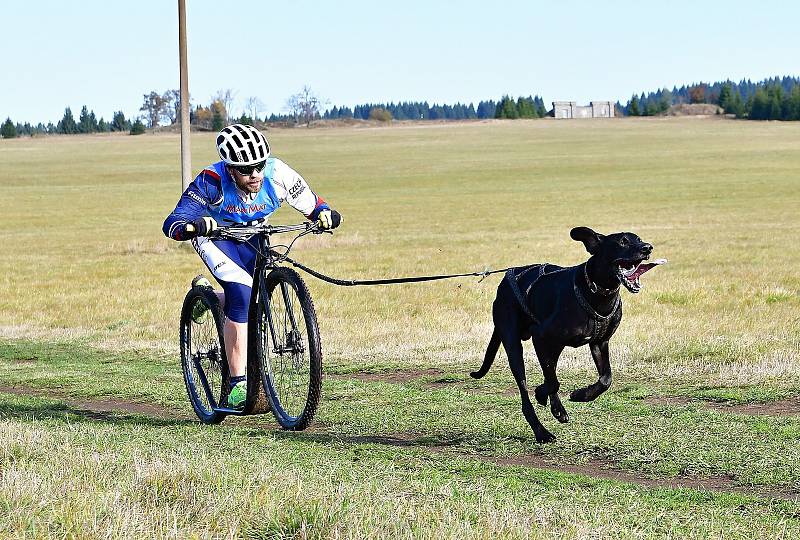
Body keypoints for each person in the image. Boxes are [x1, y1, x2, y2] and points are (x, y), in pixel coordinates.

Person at [163, 124, 341, 409]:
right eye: (246, 170)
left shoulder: (278, 173)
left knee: (252, 297)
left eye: (259, 166)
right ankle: (237, 383)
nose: (255, 174)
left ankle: (210, 300)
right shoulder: (211, 181)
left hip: (256, 236)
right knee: (242, 294)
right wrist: (192, 226)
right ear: (230, 168)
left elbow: (313, 204)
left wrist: (324, 214)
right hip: (217, 239)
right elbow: (172, 223)